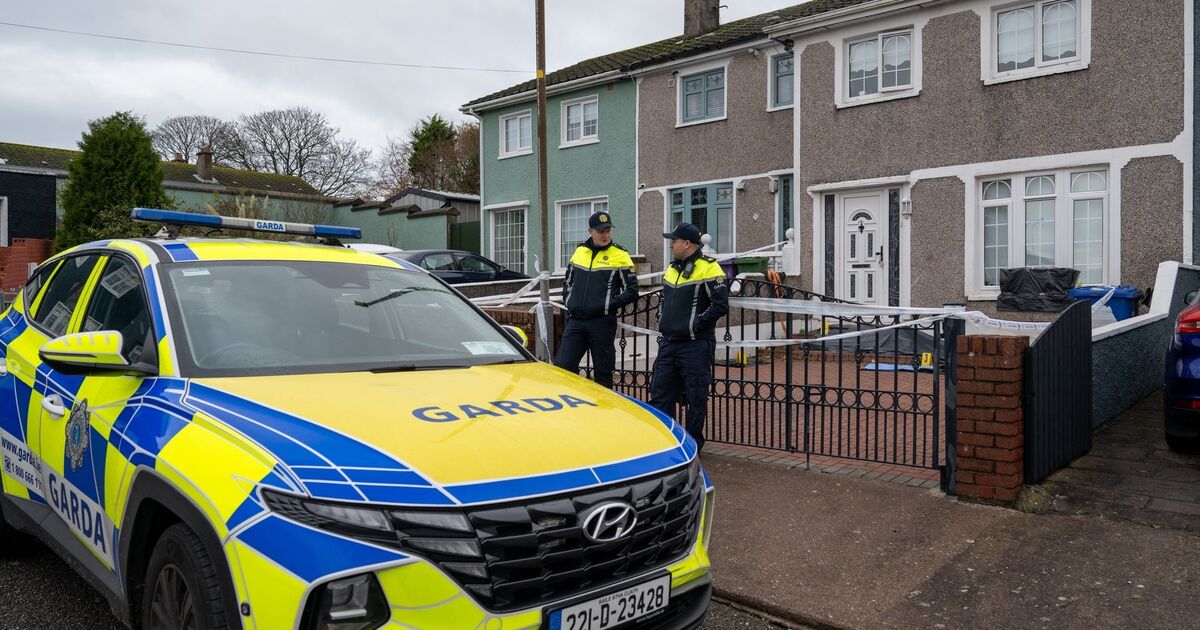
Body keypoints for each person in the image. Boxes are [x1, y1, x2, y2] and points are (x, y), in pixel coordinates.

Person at [649, 223, 728, 450]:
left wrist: (695, 324)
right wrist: (662, 317)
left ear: (687, 244)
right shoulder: (672, 268)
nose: (671, 245)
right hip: (669, 343)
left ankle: (692, 444)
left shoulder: (709, 268)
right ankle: (664, 441)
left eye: (674, 241)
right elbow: (664, 300)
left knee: (696, 396)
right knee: (660, 393)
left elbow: (720, 305)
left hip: (695, 345)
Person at [554, 210, 638, 388]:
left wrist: (607, 306)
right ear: (590, 231)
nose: (605, 235)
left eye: (608, 230)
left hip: (602, 323)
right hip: (576, 321)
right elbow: (567, 282)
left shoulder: (620, 255)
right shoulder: (579, 252)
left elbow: (632, 290)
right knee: (563, 367)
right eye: (601, 231)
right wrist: (568, 301)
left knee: (603, 374)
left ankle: (604, 413)